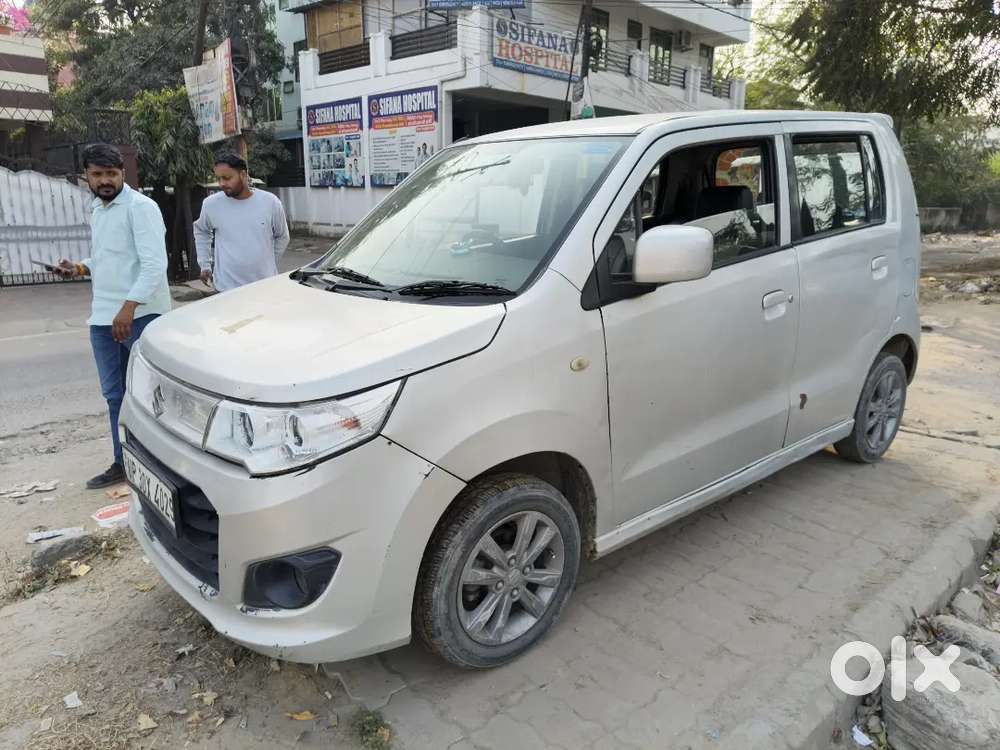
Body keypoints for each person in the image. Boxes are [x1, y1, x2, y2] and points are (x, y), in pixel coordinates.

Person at [54, 144, 171, 489]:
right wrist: (79, 267)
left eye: (111, 174)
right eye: (97, 174)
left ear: (123, 173)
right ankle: (122, 462)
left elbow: (154, 266)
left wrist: (129, 306)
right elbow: (108, 258)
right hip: (103, 318)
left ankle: (163, 465)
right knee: (115, 396)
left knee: (150, 395)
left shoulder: (141, 208)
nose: (105, 180)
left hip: (140, 316)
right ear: (85, 177)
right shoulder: (98, 209)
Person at [194, 153, 290, 292]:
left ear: (243, 174)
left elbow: (282, 236)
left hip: (264, 287)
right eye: (219, 178)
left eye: (227, 178)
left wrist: (268, 263)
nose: (222, 183)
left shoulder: (270, 202)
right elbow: (201, 231)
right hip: (225, 289)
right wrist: (205, 265)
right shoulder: (211, 204)